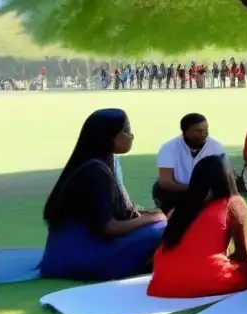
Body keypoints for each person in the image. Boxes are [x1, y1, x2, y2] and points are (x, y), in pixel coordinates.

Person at [39, 109, 166, 281]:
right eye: (126, 131)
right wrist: (152, 218)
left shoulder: (93, 163)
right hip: (82, 259)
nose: (131, 136)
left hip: (61, 257)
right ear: (110, 137)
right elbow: (108, 227)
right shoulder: (96, 171)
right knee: (163, 228)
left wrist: (151, 216)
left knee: (160, 222)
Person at [148, 155, 247, 298]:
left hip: (162, 280)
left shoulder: (180, 207)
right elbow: (243, 254)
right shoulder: (234, 203)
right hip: (205, 278)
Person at [153, 113, 230, 213]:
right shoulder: (169, 148)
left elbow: (224, 179)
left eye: (206, 130)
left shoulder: (216, 148)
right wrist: (195, 189)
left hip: (205, 193)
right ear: (185, 132)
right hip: (177, 191)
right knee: (160, 190)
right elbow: (165, 182)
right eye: (198, 131)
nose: (203, 134)